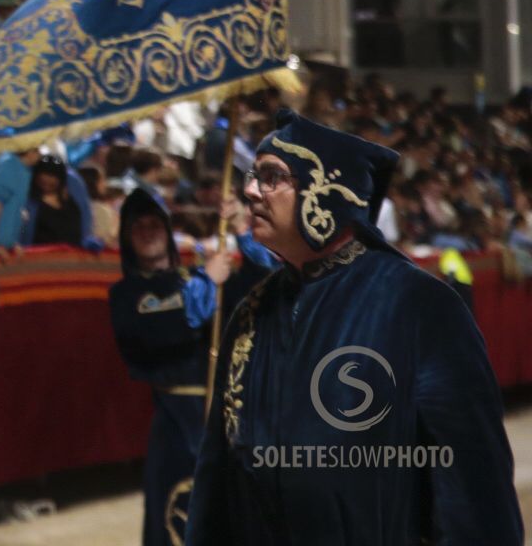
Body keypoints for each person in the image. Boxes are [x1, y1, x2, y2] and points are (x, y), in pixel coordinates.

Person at [186, 111, 522, 545]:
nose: (250, 190)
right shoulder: (251, 311)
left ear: (323, 194)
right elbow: (216, 481)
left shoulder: (418, 304)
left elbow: (474, 488)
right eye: (254, 175)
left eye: (271, 177)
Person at [110, 189, 247, 546]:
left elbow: (258, 291)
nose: (148, 231)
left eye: (154, 223)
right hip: (176, 424)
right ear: (126, 237)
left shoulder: (199, 277)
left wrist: (242, 229)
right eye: (137, 226)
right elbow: (160, 331)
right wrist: (206, 283)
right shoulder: (125, 295)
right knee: (177, 518)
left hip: (224, 417)